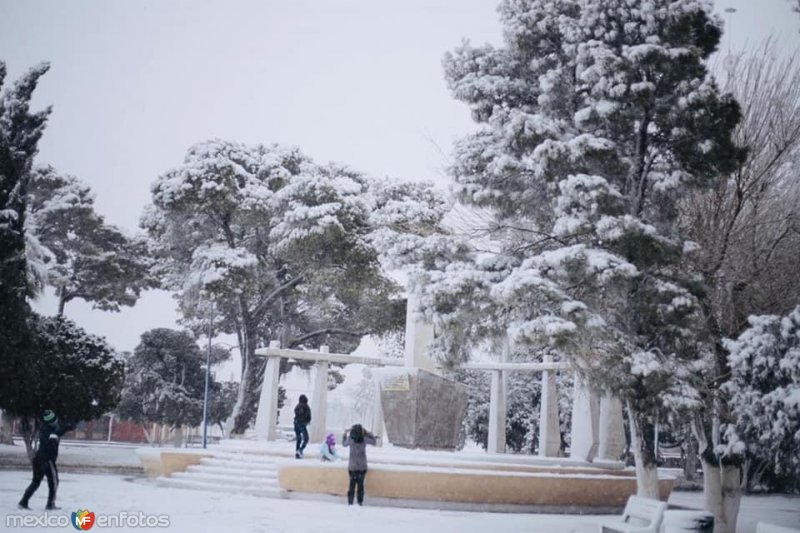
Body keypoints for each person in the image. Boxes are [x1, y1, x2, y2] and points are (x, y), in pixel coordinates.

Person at [18, 410, 75, 511]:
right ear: (50, 422)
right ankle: (50, 504)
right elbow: (54, 435)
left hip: (38, 458)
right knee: (54, 482)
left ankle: (23, 502)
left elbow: (57, 432)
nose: (56, 421)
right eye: (54, 420)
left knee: (36, 481)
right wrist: (66, 428)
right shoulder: (49, 430)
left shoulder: (45, 428)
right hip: (47, 460)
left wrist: (67, 427)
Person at [342, 423, 377, 506]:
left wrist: (344, 435)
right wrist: (367, 433)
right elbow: (374, 442)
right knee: (360, 485)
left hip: (352, 467)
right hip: (362, 467)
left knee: (352, 485)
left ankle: (350, 502)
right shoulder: (364, 439)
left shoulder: (351, 440)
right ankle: (360, 501)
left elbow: (344, 444)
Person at [293, 394, 311, 459]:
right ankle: (300, 450)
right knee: (306, 438)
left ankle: (297, 452)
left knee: (299, 438)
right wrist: (306, 422)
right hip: (302, 424)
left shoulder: (297, 406)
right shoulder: (306, 407)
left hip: (296, 424)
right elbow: (309, 417)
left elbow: (296, 414)